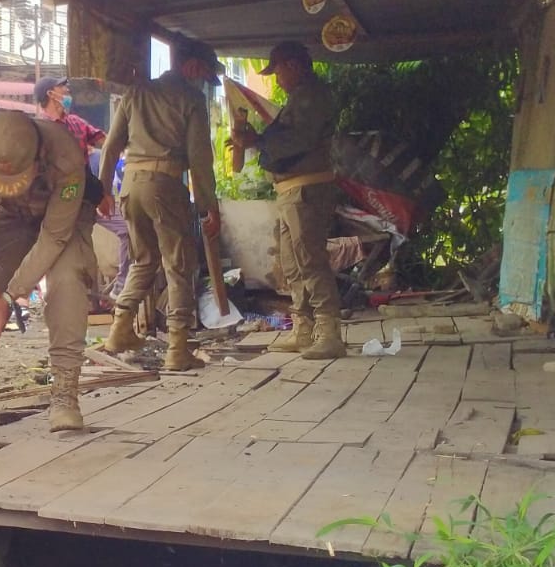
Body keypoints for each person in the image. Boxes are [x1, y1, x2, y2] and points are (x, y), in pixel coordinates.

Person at [0, 111, 95, 432]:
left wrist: (11, 295)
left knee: (66, 282)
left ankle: (65, 396)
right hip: (4, 216)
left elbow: (54, 237)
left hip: (62, 219)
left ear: (38, 157)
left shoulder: (66, 157)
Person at [96, 41, 223, 371]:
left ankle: (119, 329)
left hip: (131, 187)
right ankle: (178, 348)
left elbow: (110, 147)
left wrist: (103, 191)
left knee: (144, 259)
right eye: (205, 74)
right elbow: (199, 159)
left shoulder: (136, 93)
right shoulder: (191, 99)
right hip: (165, 187)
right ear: (193, 67)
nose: (204, 82)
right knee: (179, 265)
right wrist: (209, 207)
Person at [230, 41, 343, 359]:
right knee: (292, 264)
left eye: (277, 70)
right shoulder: (299, 98)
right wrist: (258, 141)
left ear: (293, 65)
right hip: (290, 191)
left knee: (310, 260)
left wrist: (259, 141)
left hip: (307, 189)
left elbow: (300, 140)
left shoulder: (313, 95)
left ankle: (329, 330)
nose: (276, 79)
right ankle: (303, 327)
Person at [36, 77, 130, 301]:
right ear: (51, 94)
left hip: (89, 197)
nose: (67, 91)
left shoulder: (76, 123)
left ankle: (120, 287)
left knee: (127, 229)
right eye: (62, 88)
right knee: (65, 256)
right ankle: (69, 303)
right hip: (59, 204)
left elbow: (106, 140)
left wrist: (128, 141)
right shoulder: (39, 131)